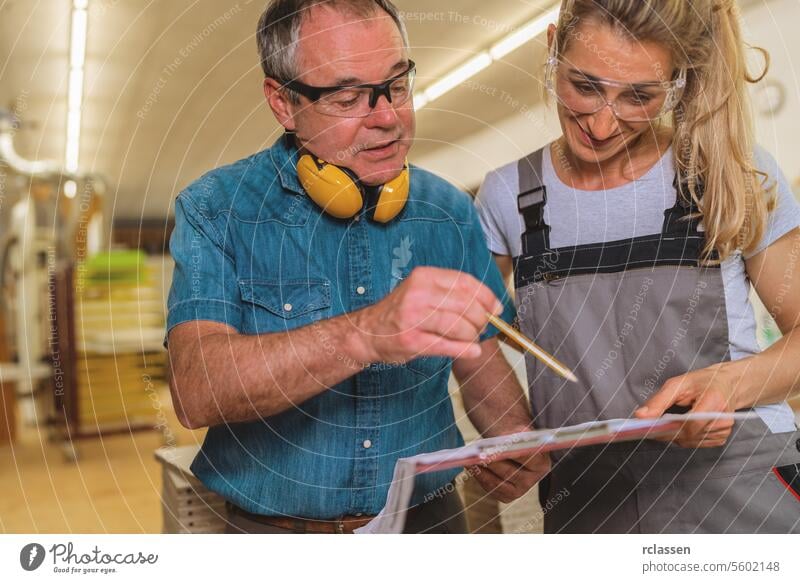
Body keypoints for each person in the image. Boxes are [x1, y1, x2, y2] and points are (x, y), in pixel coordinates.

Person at [166, 0, 549, 534]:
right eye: (348, 97)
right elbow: (195, 390)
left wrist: (512, 438)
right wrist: (366, 333)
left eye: (396, 85)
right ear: (283, 104)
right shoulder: (216, 209)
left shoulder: (449, 211)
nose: (388, 117)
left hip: (432, 526)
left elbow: (479, 354)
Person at [476, 0, 800, 533]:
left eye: (639, 97)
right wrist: (506, 428)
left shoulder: (730, 174)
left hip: (742, 491)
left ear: (676, 83)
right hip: (588, 504)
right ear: (553, 46)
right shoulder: (509, 196)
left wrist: (731, 385)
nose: (602, 125)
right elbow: (473, 337)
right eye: (584, 86)